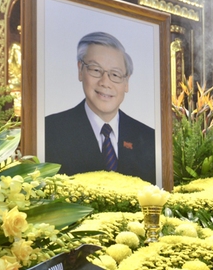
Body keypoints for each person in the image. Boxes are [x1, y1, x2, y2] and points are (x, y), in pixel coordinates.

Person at [45, 31, 156, 183]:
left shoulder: (149, 139)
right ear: (80, 70)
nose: (105, 82)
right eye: (96, 70)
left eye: (115, 74)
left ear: (126, 82)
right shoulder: (49, 131)